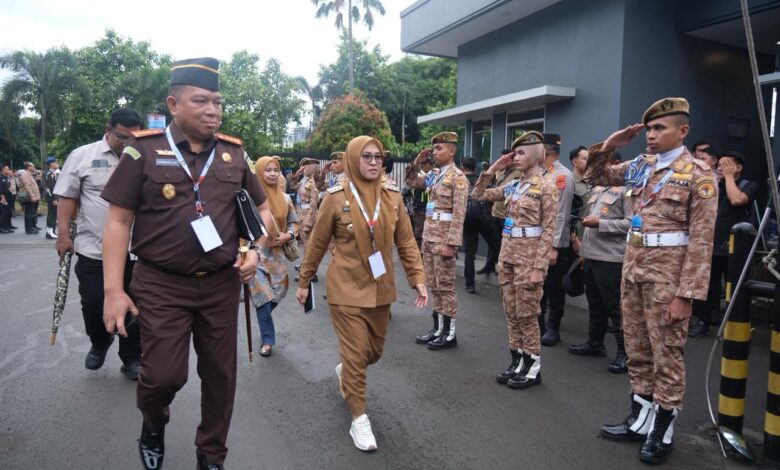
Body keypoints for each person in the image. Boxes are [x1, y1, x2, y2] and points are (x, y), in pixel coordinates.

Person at [100, 57, 272, 470]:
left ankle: (211, 453)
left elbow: (264, 212)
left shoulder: (234, 154)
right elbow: (119, 222)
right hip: (160, 284)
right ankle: (153, 424)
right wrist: (113, 291)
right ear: (174, 104)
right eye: (201, 101)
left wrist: (255, 251)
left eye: (217, 101)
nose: (213, 110)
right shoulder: (142, 151)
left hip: (219, 284)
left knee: (220, 375)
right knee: (162, 376)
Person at [586, 97, 717, 464]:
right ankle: (639, 418)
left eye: (660, 128)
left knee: (667, 355)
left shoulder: (699, 175)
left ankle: (663, 427)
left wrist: (686, 295)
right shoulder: (641, 165)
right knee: (638, 350)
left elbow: (703, 240)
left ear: (683, 131)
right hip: (635, 270)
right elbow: (596, 176)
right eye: (649, 129)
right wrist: (610, 146)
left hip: (668, 279)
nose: (651, 135)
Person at [295, 136, 427, 451]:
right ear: (354, 159)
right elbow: (316, 243)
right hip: (345, 289)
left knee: (374, 353)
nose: (373, 162)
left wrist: (417, 278)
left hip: (381, 288)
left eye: (378, 157)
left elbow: (407, 242)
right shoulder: (335, 197)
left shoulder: (392, 197)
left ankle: (348, 371)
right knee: (355, 356)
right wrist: (304, 280)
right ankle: (359, 419)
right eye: (366, 156)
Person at [53, 108, 144, 379]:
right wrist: (63, 236)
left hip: (137, 252)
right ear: (108, 129)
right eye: (121, 137)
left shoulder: (144, 156)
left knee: (136, 306)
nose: (127, 143)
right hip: (94, 250)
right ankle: (100, 341)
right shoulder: (82, 156)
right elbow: (68, 198)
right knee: (93, 304)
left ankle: (131, 358)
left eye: (133, 137)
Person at [472, 131, 557, 389]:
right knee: (511, 313)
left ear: (534, 153)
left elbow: (549, 230)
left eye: (521, 153)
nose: (516, 157)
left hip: (529, 261)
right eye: (515, 153)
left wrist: (539, 268)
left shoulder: (547, 186)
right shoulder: (514, 185)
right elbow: (478, 194)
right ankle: (517, 360)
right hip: (508, 257)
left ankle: (533, 367)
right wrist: (494, 169)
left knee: (528, 315)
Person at [569, 150, 630, 374]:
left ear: (615, 164)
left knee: (616, 307)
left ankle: (625, 353)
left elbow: (631, 223)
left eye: (602, 164)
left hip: (612, 258)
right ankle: (595, 343)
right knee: (594, 304)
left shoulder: (627, 192)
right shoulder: (597, 190)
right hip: (591, 254)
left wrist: (601, 224)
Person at [406, 132, 469, 349]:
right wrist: (416, 162)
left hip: (444, 241)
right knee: (433, 285)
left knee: (446, 287)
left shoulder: (458, 178)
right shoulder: (434, 174)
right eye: (434, 149)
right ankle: (438, 328)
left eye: (439, 148)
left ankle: (449, 334)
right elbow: (412, 182)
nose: (435, 152)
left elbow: (459, 214)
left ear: (452, 151)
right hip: (430, 237)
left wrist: (452, 244)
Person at [690, 149, 757, 337]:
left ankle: (735, 324)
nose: (721, 169)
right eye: (719, 165)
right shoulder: (714, 185)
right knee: (708, 286)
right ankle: (703, 321)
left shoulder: (748, 185)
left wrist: (728, 177)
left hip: (736, 247)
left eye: (726, 165)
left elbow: (737, 200)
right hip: (711, 243)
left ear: (738, 167)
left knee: (736, 287)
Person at [250, 156, 299, 357]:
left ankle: (264, 318)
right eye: (267, 170)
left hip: (278, 257)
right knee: (262, 296)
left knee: (280, 290)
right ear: (259, 172)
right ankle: (268, 340)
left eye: (275, 170)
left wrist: (288, 235)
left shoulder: (286, 199)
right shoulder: (250, 199)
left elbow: (294, 223)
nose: (272, 174)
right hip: (256, 256)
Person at [539, 133, 575, 346]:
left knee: (553, 287)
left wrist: (554, 246)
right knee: (538, 287)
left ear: (547, 150)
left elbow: (561, 214)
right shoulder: (539, 174)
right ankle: (539, 323)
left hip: (553, 242)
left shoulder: (561, 176)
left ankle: (553, 327)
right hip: (535, 239)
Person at [461, 156, 500, 293]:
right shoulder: (481, 180)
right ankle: (501, 273)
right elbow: (491, 197)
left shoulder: (459, 181)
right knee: (498, 246)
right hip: (483, 217)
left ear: (462, 166)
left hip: (467, 218)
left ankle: (469, 284)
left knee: (469, 253)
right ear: (475, 167)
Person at [479, 148, 521, 275]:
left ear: (513, 160)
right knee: (493, 243)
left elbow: (510, 194)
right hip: (496, 212)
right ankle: (490, 265)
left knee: (503, 244)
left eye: (506, 159)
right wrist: (493, 170)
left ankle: (502, 266)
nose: (504, 161)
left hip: (505, 215)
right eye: (502, 158)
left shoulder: (518, 175)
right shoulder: (503, 173)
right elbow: (482, 193)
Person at [404, 154, 433, 248]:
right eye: (429, 164)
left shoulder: (434, 175)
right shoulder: (418, 177)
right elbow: (411, 183)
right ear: (423, 165)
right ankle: (418, 254)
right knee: (419, 232)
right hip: (420, 207)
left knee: (430, 230)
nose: (431, 166)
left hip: (430, 207)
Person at [570, 145, 590, 240]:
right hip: (576, 237)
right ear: (575, 162)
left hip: (591, 237)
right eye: (585, 159)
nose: (589, 162)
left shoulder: (593, 182)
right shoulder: (569, 181)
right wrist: (574, 238)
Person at [17, 162, 41, 234]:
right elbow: (27, 186)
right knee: (29, 213)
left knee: (33, 212)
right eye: (32, 166)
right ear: (28, 167)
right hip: (29, 197)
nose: (34, 167)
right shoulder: (25, 174)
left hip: (34, 197)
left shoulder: (30, 174)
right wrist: (32, 195)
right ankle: (29, 228)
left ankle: (33, 225)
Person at [43, 156, 60, 239]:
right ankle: (49, 232)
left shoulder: (53, 173)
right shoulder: (50, 174)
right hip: (51, 197)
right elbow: (52, 187)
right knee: (51, 214)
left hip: (53, 197)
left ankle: (52, 231)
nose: (57, 164)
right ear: (51, 164)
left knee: (53, 214)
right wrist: (55, 199)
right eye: (55, 162)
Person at [0, 165, 14, 233]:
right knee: (3, 213)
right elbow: (0, 189)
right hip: (3, 198)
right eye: (7, 169)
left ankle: (6, 226)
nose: (8, 170)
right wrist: (2, 198)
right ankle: (1, 227)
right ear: (3, 170)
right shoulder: (1, 177)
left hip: (9, 197)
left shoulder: (6, 177)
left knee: (7, 212)